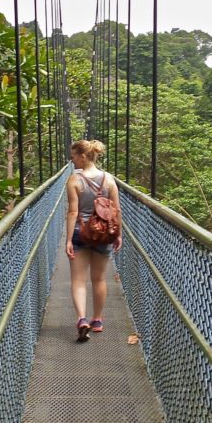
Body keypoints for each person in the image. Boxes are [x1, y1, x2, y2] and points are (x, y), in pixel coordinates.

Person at [65, 139, 123, 342]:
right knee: (99, 279)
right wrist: (119, 234)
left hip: (81, 232)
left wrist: (68, 240)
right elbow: (116, 210)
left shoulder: (74, 180)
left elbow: (73, 211)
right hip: (103, 234)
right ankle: (97, 320)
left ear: (82, 156)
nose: (71, 161)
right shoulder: (109, 179)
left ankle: (82, 319)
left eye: (73, 157)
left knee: (78, 280)